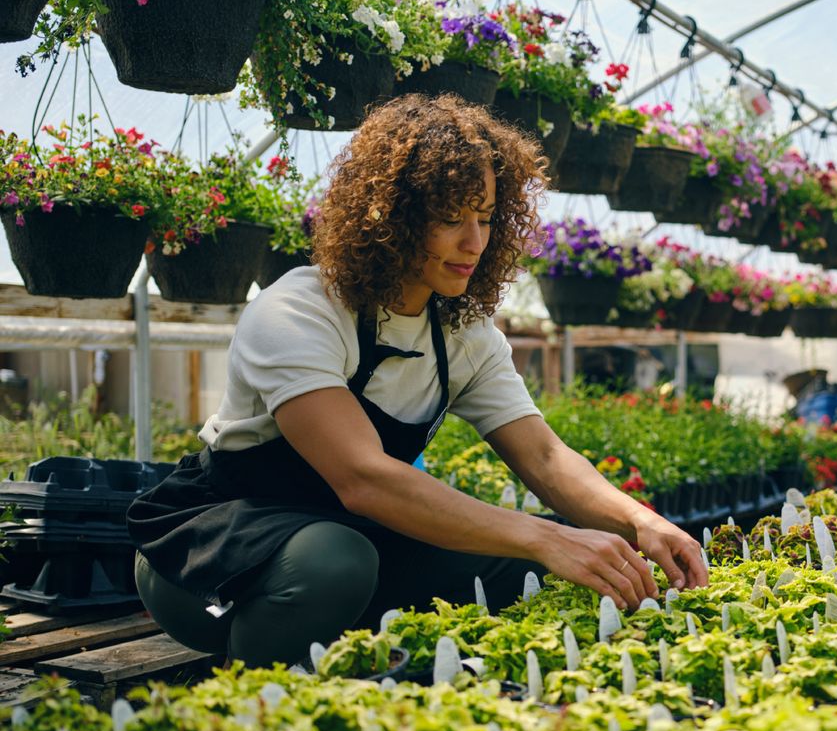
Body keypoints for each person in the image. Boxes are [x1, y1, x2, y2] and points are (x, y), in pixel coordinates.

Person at [128, 95, 707, 667]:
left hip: (356, 534)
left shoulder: (462, 333)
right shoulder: (300, 311)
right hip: (211, 552)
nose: (474, 243)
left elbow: (548, 459)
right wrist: (545, 536)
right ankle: (254, 702)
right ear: (391, 214)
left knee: (548, 564)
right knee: (337, 562)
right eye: (452, 218)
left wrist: (641, 522)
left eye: (485, 218)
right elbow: (362, 478)